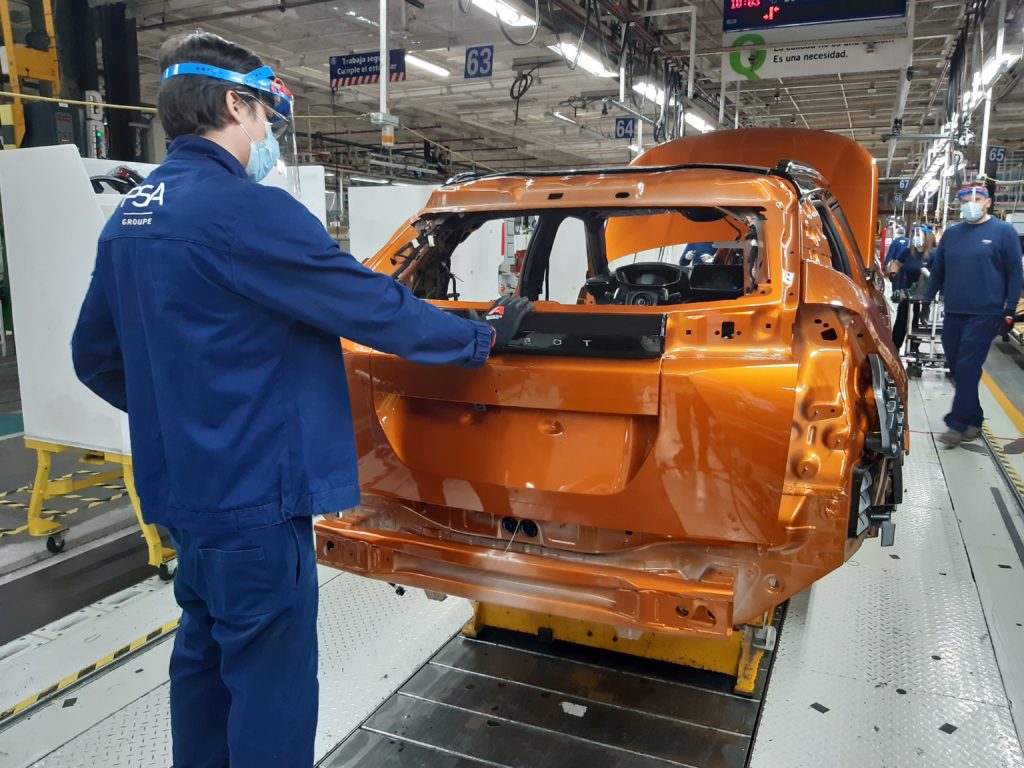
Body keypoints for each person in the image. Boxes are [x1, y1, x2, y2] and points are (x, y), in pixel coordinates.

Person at [69, 31, 532, 768]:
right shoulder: (246, 210)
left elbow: (92, 357)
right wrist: (478, 339)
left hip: (183, 497)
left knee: (203, 664)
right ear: (233, 104)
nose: (269, 140)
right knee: (271, 686)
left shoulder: (131, 215)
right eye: (266, 119)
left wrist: (186, 419)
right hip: (254, 500)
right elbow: (368, 305)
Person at [924, 184, 1023, 447]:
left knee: (967, 366)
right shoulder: (952, 234)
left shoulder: (1004, 233)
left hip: (985, 313)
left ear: (988, 202)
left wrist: (1010, 308)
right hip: (954, 310)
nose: (971, 203)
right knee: (957, 367)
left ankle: (956, 424)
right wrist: (926, 295)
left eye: (977, 198)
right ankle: (975, 418)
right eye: (966, 199)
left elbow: (1015, 272)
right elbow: (938, 269)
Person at [887, 224, 936, 349]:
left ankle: (914, 349)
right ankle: (895, 348)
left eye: (918, 234)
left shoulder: (934, 255)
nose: (915, 237)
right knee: (901, 321)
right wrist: (893, 272)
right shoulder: (908, 252)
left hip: (925, 294)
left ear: (927, 237)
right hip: (908, 291)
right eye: (913, 234)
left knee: (916, 323)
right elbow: (897, 263)